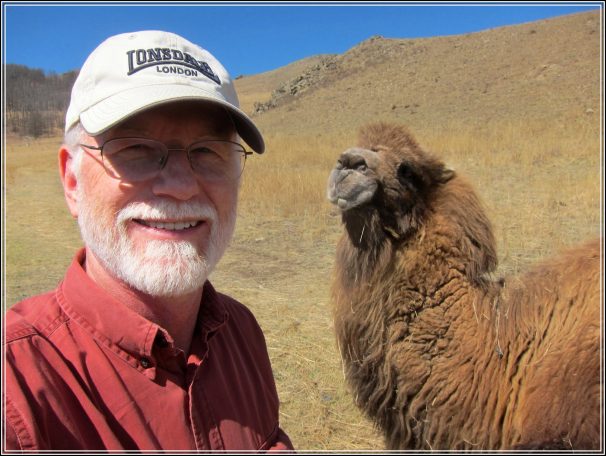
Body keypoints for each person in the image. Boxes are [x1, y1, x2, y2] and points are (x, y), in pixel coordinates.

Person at [4, 30, 294, 451]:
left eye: (208, 151)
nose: (180, 185)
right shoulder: (19, 387)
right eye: (136, 148)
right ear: (72, 181)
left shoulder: (241, 333)